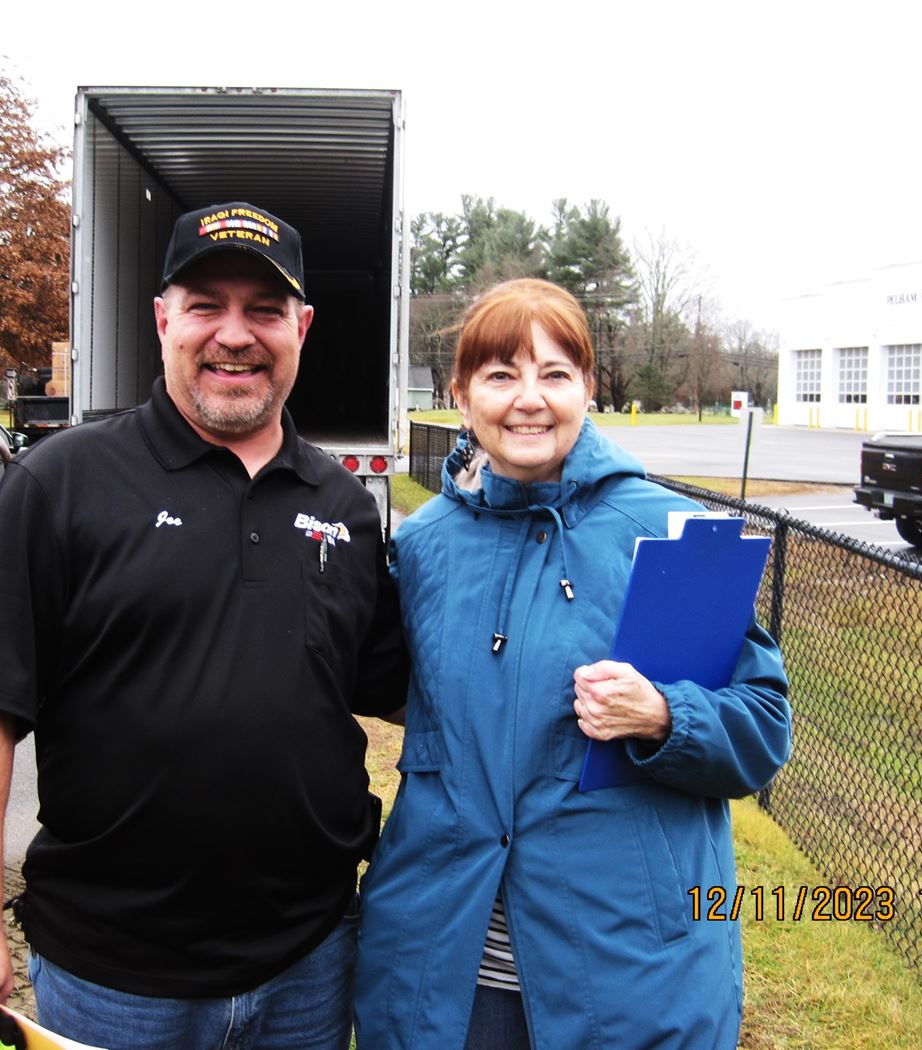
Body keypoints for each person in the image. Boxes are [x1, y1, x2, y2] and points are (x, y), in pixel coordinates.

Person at [0, 201, 407, 1050]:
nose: (234, 334)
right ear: (162, 319)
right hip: (113, 977)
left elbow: (401, 687)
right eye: (206, 305)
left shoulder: (342, 505)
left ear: (303, 327)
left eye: (263, 310)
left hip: (311, 961)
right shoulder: (62, 482)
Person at [352, 278, 791, 1049]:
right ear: (460, 395)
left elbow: (761, 726)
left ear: (588, 387)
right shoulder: (423, 548)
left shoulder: (666, 533)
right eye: (500, 375)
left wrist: (663, 716)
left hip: (621, 978)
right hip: (445, 970)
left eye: (554, 374)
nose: (529, 399)